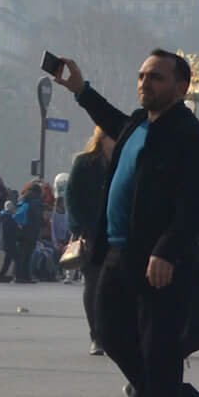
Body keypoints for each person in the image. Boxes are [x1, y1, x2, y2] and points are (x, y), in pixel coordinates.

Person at [51, 52, 199, 397]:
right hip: (118, 252)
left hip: (158, 259)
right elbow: (110, 118)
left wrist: (167, 251)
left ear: (182, 88)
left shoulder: (190, 138)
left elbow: (193, 206)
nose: (145, 83)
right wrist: (80, 90)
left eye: (156, 78)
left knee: (158, 348)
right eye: (142, 76)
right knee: (110, 333)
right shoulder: (139, 126)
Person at [67, 127, 114, 354]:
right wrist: (81, 228)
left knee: (115, 286)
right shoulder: (85, 163)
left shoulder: (125, 162)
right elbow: (72, 197)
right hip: (91, 233)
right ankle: (97, 335)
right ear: (102, 138)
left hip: (117, 233)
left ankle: (111, 332)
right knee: (94, 284)